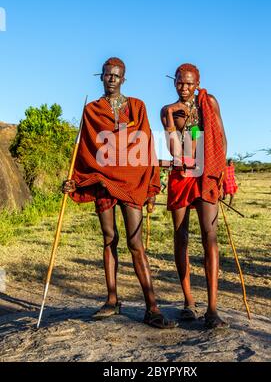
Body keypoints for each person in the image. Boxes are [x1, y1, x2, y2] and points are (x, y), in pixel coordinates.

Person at [63, 57, 176, 329]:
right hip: (102, 181)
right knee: (109, 237)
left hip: (132, 181)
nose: (111, 79)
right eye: (107, 75)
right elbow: (86, 152)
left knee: (136, 244)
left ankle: (152, 307)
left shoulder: (137, 107)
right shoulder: (91, 110)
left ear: (123, 78)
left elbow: (146, 145)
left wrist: (150, 185)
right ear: (101, 77)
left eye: (116, 75)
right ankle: (112, 299)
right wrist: (75, 182)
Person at [160, 63, 228, 329]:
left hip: (206, 173)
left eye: (189, 83)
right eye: (179, 82)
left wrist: (218, 170)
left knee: (210, 236)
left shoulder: (209, 102)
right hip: (181, 176)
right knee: (181, 236)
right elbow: (175, 150)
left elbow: (221, 137)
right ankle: (188, 302)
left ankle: (212, 309)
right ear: (174, 81)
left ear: (197, 82)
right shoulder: (168, 111)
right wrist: (168, 119)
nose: (184, 87)